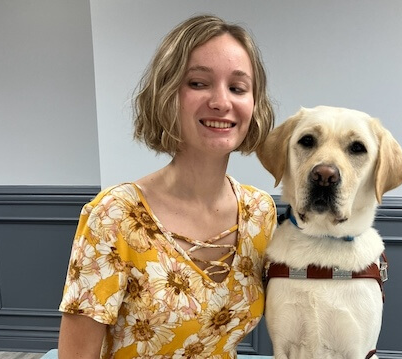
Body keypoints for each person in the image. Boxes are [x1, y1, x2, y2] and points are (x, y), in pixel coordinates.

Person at [58, 14, 277, 359]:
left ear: (254, 104)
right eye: (198, 83)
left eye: (237, 88)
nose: (221, 102)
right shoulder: (114, 216)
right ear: (166, 93)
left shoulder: (260, 213)